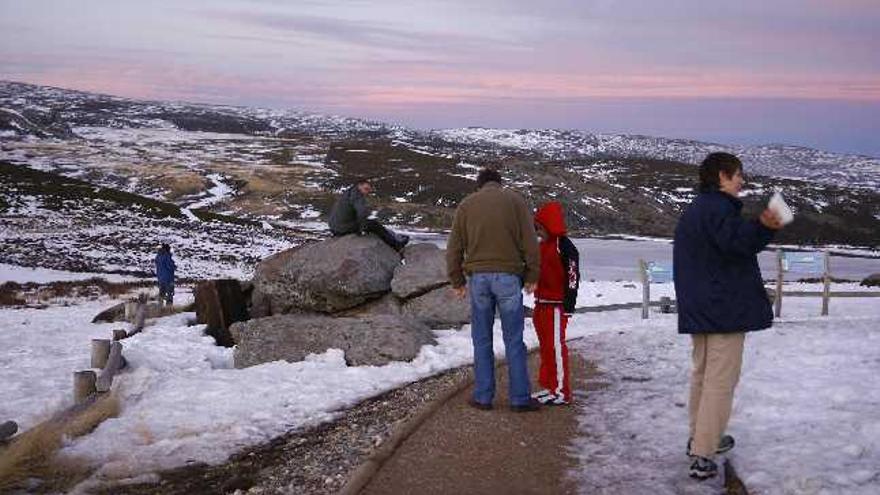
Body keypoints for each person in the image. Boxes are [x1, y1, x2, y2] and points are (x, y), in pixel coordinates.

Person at [673, 152, 784, 480]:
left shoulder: (697, 209)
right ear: (722, 176)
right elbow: (737, 244)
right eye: (738, 175)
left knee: (703, 376)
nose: (741, 180)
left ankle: (701, 438)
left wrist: (758, 228)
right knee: (720, 382)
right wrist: (764, 227)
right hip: (723, 309)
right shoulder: (719, 208)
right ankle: (704, 453)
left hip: (703, 307)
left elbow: (722, 249)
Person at [446, 168, 541, 412]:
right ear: (499, 183)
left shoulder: (467, 205)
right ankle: (519, 399)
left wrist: (457, 281)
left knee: (482, 339)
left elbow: (454, 246)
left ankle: (483, 397)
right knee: (514, 340)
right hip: (509, 278)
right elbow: (530, 241)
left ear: (479, 185)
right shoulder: (515, 201)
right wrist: (532, 275)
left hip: (478, 279)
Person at [531, 201, 580, 406]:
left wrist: (569, 306)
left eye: (540, 227)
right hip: (541, 304)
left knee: (556, 348)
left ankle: (561, 391)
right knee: (545, 348)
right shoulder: (542, 246)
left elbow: (572, 277)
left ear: (549, 224)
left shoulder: (565, 246)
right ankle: (550, 386)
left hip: (556, 306)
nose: (539, 232)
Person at [328, 179, 409, 251]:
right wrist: (362, 229)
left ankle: (395, 236)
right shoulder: (357, 196)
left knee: (371, 223)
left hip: (333, 227)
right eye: (365, 189)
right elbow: (362, 213)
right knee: (374, 224)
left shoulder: (348, 192)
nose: (367, 192)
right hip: (342, 228)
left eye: (369, 190)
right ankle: (396, 245)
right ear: (359, 186)